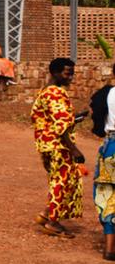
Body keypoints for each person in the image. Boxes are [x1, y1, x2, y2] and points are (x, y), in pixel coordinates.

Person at [32, 57, 88, 239]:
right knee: (62, 182)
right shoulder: (55, 93)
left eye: (72, 74)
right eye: (67, 73)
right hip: (59, 145)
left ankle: (46, 214)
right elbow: (61, 126)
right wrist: (74, 149)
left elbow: (52, 119)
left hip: (47, 143)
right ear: (55, 73)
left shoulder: (46, 91)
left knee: (58, 180)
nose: (70, 77)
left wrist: (75, 118)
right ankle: (52, 222)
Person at [90, 63, 115, 259]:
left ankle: (109, 248)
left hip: (110, 148)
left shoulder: (106, 94)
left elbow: (96, 116)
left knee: (107, 195)